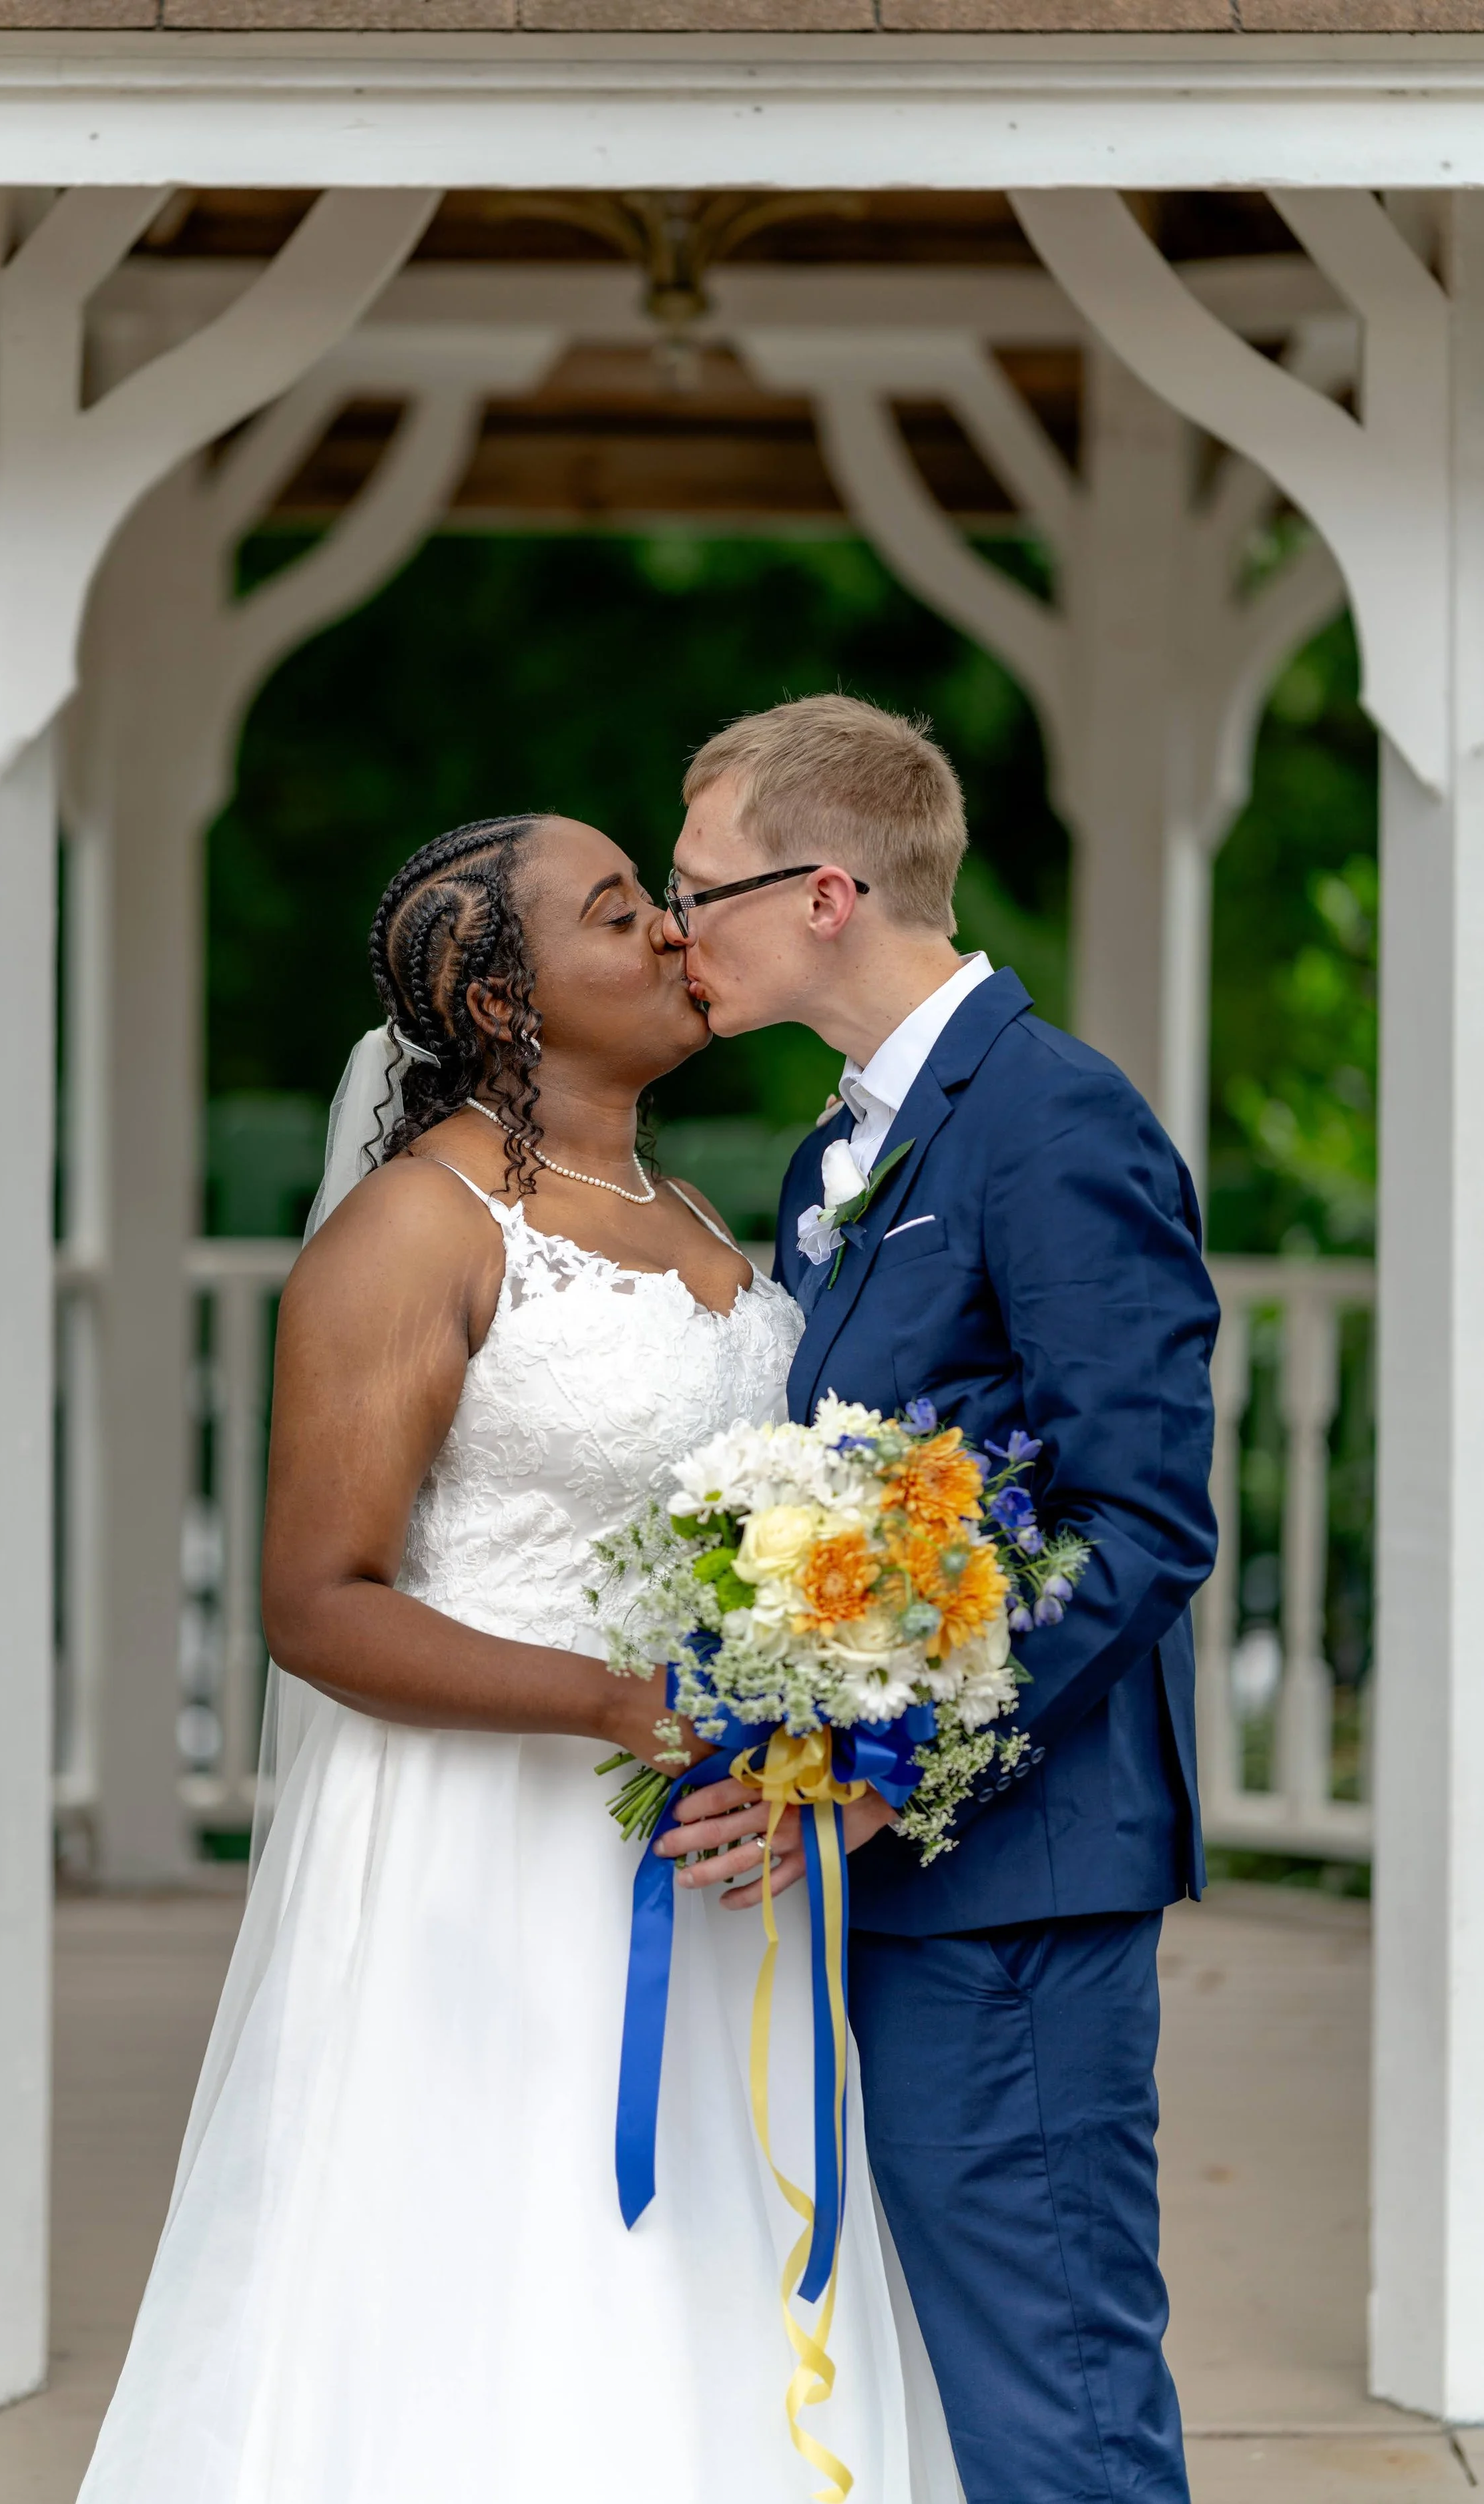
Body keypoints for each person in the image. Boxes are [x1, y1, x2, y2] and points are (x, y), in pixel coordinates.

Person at [75, 811, 959, 2503]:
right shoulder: (415, 1231)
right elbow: (317, 1601)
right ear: (500, 999)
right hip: (480, 1851)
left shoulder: (698, 1209)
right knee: (494, 2260)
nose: (669, 935)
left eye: (658, 902)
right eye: (619, 915)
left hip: (709, 1848)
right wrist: (616, 1703)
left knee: (706, 2237)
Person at [660, 695, 1220, 2504]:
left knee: (1050, 2382)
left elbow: (1138, 1514)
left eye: (697, 889)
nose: (676, 930)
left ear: (825, 888)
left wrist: (890, 1756)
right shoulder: (835, 1156)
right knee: (972, 2369)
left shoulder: (1051, 1117)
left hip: (1022, 1870)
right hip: (903, 1877)